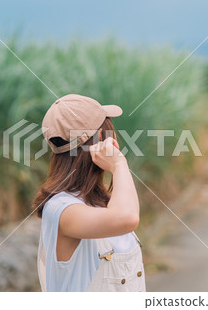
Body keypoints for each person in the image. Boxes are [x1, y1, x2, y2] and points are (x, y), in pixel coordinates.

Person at [33, 94, 146, 292]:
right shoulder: (61, 209)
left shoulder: (99, 202)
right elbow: (127, 218)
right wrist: (119, 164)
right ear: (101, 140)